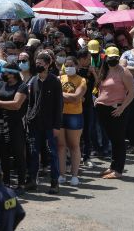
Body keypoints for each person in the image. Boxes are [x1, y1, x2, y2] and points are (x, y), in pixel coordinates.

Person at [24, 53, 63, 194]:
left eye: (41, 63)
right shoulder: (34, 80)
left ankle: (54, 182)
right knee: (34, 152)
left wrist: (56, 126)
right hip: (35, 123)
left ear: (47, 65)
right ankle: (32, 181)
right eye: (37, 62)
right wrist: (28, 117)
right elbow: (31, 102)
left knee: (52, 153)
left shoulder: (54, 81)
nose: (38, 65)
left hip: (50, 124)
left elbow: (59, 105)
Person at [94, 46, 134, 179]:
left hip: (117, 109)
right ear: (106, 58)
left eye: (115, 58)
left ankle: (118, 169)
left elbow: (132, 92)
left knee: (118, 140)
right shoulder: (104, 71)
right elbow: (101, 88)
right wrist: (98, 99)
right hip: (103, 108)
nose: (113, 60)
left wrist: (122, 108)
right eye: (110, 58)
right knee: (112, 139)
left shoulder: (124, 72)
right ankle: (113, 166)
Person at [57, 57, 86, 185]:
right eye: (66, 65)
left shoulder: (81, 80)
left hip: (74, 115)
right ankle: (62, 175)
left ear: (77, 66)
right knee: (61, 146)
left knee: (74, 145)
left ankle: (74, 176)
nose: (68, 67)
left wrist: (60, 95)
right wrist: (68, 97)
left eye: (71, 65)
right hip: (60, 114)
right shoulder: (59, 79)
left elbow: (76, 98)